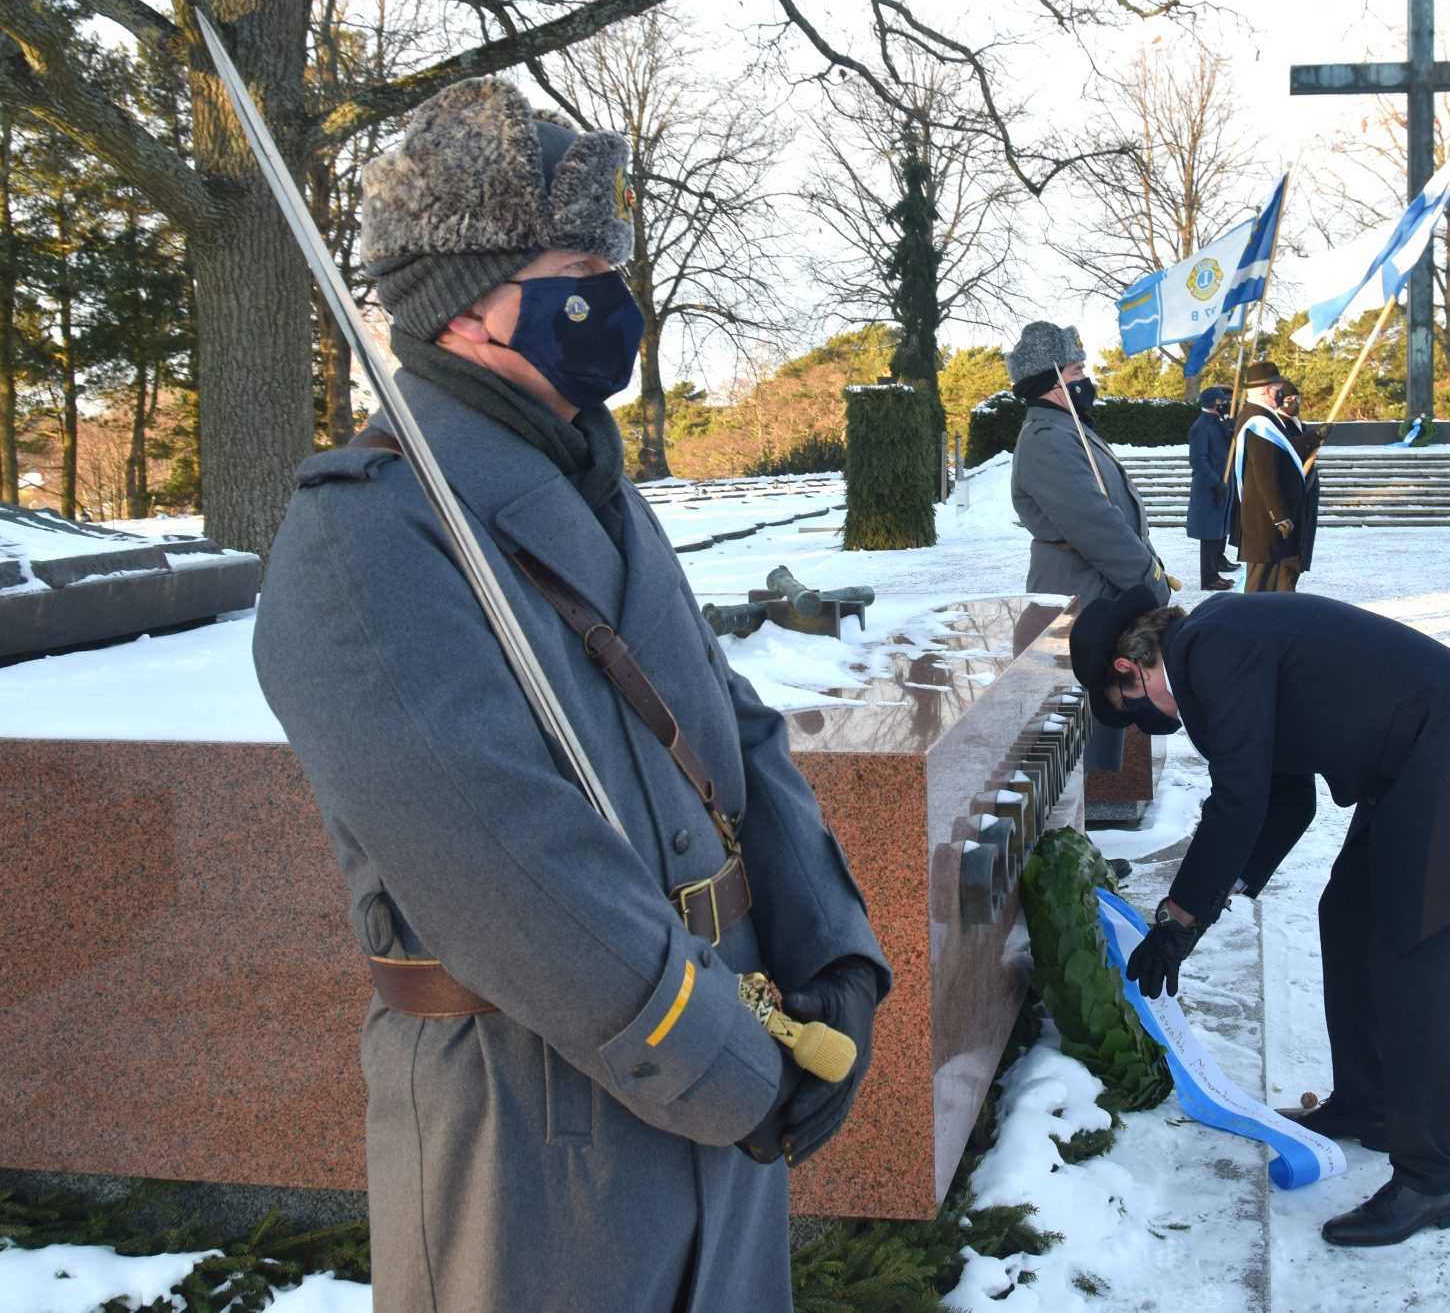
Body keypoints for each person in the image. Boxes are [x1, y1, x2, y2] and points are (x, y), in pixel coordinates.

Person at [253, 78, 889, 1312]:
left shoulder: (592, 481)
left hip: (731, 1060)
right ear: (466, 305)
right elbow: (505, 864)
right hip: (543, 1141)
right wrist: (722, 1068)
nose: (612, 288)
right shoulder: (367, 535)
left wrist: (834, 956)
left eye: (612, 255)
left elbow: (730, 728)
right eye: (577, 260)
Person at [1067, 586, 1450, 1247]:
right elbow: (1283, 798)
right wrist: (1204, 909)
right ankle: (1368, 1103)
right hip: (1416, 760)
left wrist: (1179, 919)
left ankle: (1432, 1177)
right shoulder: (1214, 646)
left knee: (1409, 962)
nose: (1140, 720)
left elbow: (1237, 800)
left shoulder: (1210, 647)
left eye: (1126, 708)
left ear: (1129, 668)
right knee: (1347, 915)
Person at [1007, 320, 1172, 773]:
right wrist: (1148, 583)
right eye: (1077, 370)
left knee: (1103, 713)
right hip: (1082, 592)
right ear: (1053, 380)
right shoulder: (1047, 439)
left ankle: (1101, 794)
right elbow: (1096, 526)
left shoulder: (1068, 428)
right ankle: (1087, 808)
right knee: (1081, 716)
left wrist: (1147, 568)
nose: (1086, 380)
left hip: (1105, 588)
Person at [1228, 361, 1310, 591]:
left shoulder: (1264, 415)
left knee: (1278, 582)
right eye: (1278, 387)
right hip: (1266, 521)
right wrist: (1279, 515)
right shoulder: (1258, 421)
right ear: (1266, 389)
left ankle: (1277, 621)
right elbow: (1264, 473)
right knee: (1260, 584)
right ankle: (1248, 626)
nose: (1282, 392)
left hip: (1272, 520)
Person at [1186, 384, 1237, 590]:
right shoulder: (1202, 426)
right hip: (1209, 487)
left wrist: (1232, 429)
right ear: (1211, 403)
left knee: (1219, 530)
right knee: (1209, 533)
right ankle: (1208, 577)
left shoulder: (1218, 422)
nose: (1225, 404)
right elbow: (1198, 459)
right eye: (1221, 402)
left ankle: (1216, 569)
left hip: (1222, 484)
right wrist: (1215, 482)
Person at [1276, 377, 1325, 575]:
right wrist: (1314, 438)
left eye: (1298, 398)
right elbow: (1290, 449)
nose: (1295, 403)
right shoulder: (1277, 424)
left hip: (1306, 489)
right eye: (1290, 399)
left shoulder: (1298, 424)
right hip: (1290, 492)